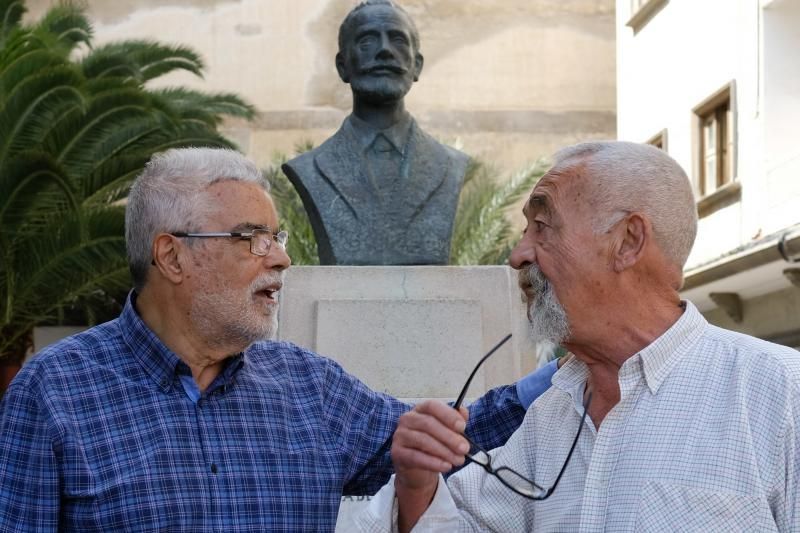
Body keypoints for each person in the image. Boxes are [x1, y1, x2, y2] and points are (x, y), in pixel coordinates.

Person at [0, 147, 556, 531]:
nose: (283, 259)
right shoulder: (52, 393)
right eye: (252, 239)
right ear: (171, 255)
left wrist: (566, 365)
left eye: (277, 237)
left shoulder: (307, 386)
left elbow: (445, 438)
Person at [358, 141, 800, 532]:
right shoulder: (552, 413)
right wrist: (417, 482)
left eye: (542, 228)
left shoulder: (780, 395)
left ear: (627, 242)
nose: (517, 256)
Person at [282, 0, 469, 265]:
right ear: (342, 66)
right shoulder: (310, 167)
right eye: (367, 41)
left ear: (417, 65)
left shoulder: (450, 164)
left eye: (398, 40)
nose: (384, 50)